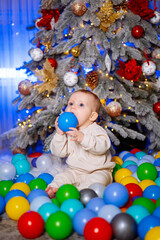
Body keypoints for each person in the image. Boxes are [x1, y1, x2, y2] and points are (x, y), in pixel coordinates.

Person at [45, 89, 115, 198]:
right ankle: (53, 188)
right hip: (75, 170)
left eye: (81, 105)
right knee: (63, 176)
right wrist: (60, 134)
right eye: (70, 103)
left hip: (98, 171)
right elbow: (59, 152)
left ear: (92, 116)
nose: (72, 107)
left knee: (97, 180)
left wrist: (83, 138)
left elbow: (103, 146)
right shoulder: (70, 131)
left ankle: (80, 192)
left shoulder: (96, 130)